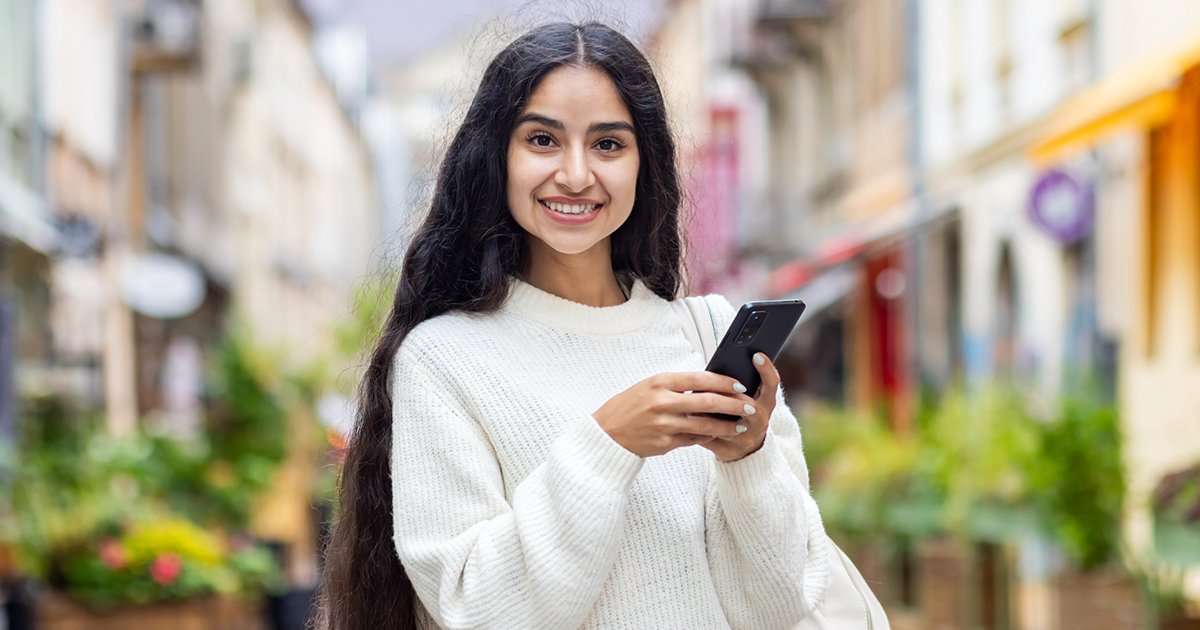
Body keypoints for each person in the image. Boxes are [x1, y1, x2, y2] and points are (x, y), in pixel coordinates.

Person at [319, 22, 843, 630]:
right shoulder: (443, 360)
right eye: (542, 139)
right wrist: (609, 443)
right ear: (497, 156)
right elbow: (482, 612)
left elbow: (780, 609)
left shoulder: (707, 335)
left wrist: (748, 459)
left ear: (644, 163)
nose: (574, 174)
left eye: (608, 145)